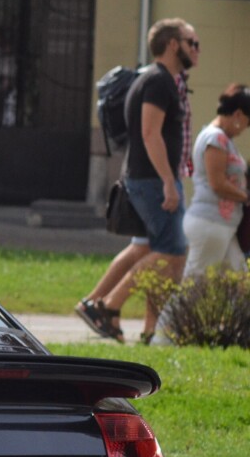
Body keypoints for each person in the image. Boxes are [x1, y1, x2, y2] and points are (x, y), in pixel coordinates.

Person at [76, 18, 199, 343]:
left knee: (143, 248)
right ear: (174, 45)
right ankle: (109, 305)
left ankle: (101, 307)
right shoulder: (158, 81)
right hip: (152, 181)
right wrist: (169, 182)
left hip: (143, 178)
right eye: (192, 42)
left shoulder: (157, 79)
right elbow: (149, 133)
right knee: (172, 252)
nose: (196, 49)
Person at [177, 84, 250, 280]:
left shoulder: (224, 139)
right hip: (210, 223)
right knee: (192, 287)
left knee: (240, 282)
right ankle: (168, 313)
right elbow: (217, 183)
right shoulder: (215, 138)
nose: (245, 129)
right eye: (247, 122)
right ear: (237, 115)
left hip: (221, 226)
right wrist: (246, 197)